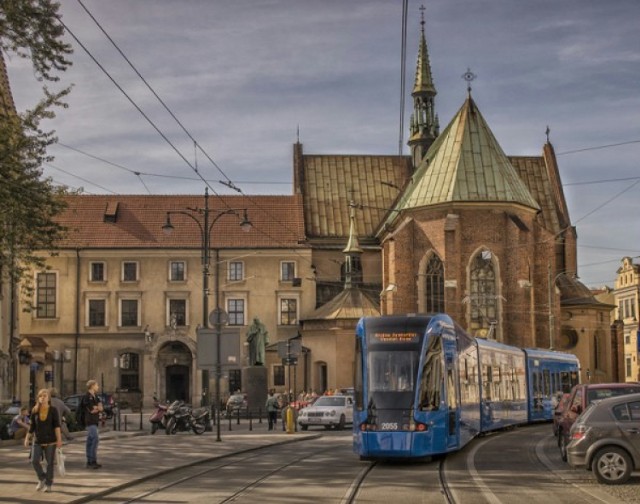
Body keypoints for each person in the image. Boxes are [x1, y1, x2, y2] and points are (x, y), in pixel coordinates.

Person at [24, 389, 62, 493]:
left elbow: (57, 426)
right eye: (41, 396)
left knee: (49, 463)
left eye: (45, 396)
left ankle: (48, 484)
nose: (42, 398)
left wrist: (59, 440)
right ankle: (42, 478)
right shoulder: (34, 410)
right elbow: (31, 427)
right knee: (34, 461)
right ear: (38, 398)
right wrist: (27, 438)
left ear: (48, 398)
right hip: (38, 440)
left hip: (51, 441)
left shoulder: (53, 410)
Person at [81, 380, 103, 469]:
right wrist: (97, 408)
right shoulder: (87, 397)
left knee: (90, 440)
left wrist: (97, 408)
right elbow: (91, 410)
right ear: (92, 386)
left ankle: (89, 461)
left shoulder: (96, 396)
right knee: (95, 439)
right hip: (89, 421)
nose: (98, 387)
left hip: (95, 420)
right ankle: (92, 460)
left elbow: (101, 408)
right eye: (97, 385)